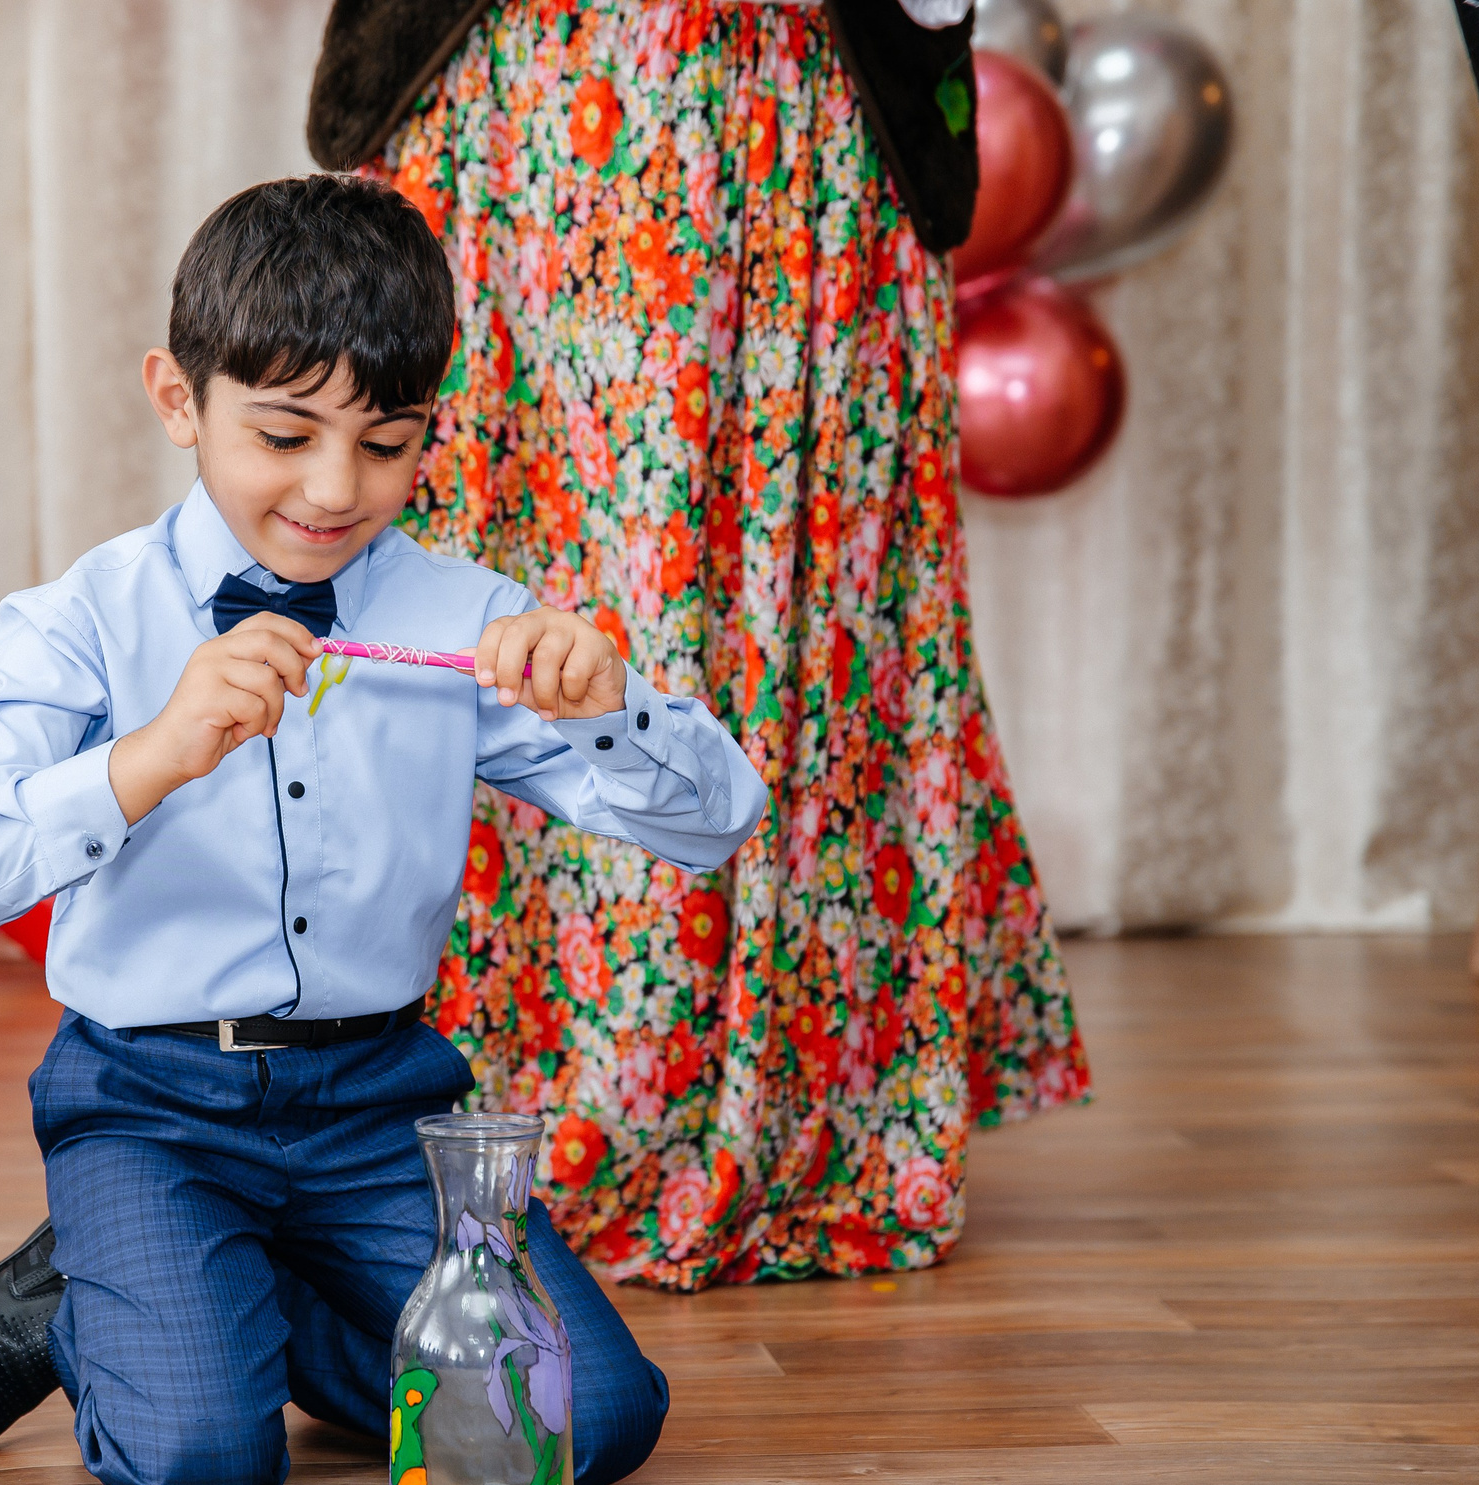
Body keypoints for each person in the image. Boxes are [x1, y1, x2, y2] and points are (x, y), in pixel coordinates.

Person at [0, 174, 766, 1485]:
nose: (333, 488)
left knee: (594, 1423)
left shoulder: (463, 618)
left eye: (385, 442)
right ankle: (88, 1294)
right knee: (198, 1467)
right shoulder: (84, 618)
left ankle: (229, 1291)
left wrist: (615, 707)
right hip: (150, 1104)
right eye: (285, 433)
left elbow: (717, 826)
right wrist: (152, 755)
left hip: (379, 1106)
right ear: (179, 399)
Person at [304, 0, 1092, 1289]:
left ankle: (784, 1108)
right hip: (508, 104)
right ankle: (449, 1116)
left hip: (797, 111)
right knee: (486, 587)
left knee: (790, 619)